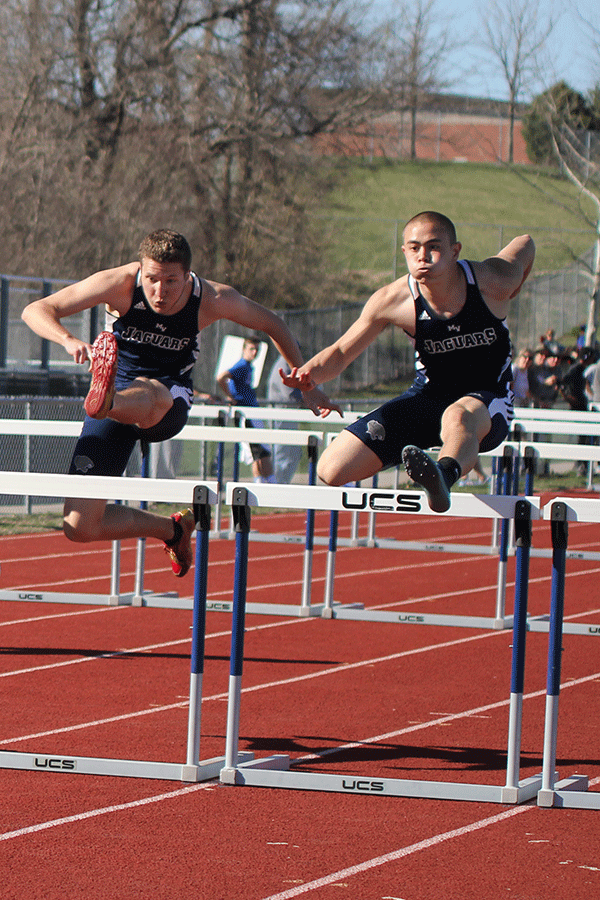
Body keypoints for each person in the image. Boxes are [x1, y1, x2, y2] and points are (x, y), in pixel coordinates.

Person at [21, 229, 337, 576]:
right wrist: (66, 339)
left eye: (171, 281)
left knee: (151, 392)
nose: (160, 291)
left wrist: (306, 383)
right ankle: (171, 529)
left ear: (188, 276)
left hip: (168, 398)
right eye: (152, 279)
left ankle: (106, 401)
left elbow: (273, 324)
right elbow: (37, 309)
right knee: (79, 527)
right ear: (141, 270)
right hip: (115, 391)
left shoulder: (213, 298)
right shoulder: (119, 283)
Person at [280, 210, 535, 513]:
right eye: (414, 248)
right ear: (404, 252)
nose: (423, 256)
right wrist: (308, 376)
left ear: (455, 251)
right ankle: (425, 458)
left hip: (487, 403)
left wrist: (515, 288)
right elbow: (340, 352)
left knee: (458, 415)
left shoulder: (493, 281)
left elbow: (526, 242)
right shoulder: (393, 300)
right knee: (331, 469)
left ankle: (444, 474)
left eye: (434, 247)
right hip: (427, 399)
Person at [216, 336, 274, 482]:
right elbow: (221, 377)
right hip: (246, 414)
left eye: (257, 350)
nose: (254, 352)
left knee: (261, 448)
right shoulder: (241, 366)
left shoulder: (248, 366)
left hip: (252, 412)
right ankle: (261, 481)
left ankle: (267, 480)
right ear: (244, 350)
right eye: (251, 349)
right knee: (255, 450)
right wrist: (230, 396)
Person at [267, 353, 304, 484]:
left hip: (289, 414)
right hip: (281, 415)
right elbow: (289, 395)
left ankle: (283, 482)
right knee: (281, 452)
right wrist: (308, 396)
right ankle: (277, 483)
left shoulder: (289, 365)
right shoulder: (283, 366)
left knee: (293, 452)